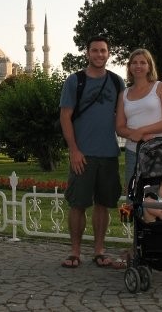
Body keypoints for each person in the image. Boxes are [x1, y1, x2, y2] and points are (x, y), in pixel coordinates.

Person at [59, 35, 125, 268]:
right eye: (95, 50)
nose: (99, 54)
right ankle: (75, 252)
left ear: (108, 54)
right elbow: (65, 117)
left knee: (103, 204)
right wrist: (74, 150)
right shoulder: (75, 81)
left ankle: (99, 250)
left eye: (103, 51)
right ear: (87, 53)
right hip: (83, 154)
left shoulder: (117, 82)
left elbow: (123, 117)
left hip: (108, 153)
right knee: (78, 204)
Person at [115, 48, 162, 189]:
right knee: (135, 196)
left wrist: (142, 131)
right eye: (134, 63)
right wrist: (136, 135)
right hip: (133, 151)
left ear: (149, 67)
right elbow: (119, 127)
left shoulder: (160, 87)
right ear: (129, 67)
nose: (138, 66)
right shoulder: (123, 94)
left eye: (143, 63)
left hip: (159, 150)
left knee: (159, 197)